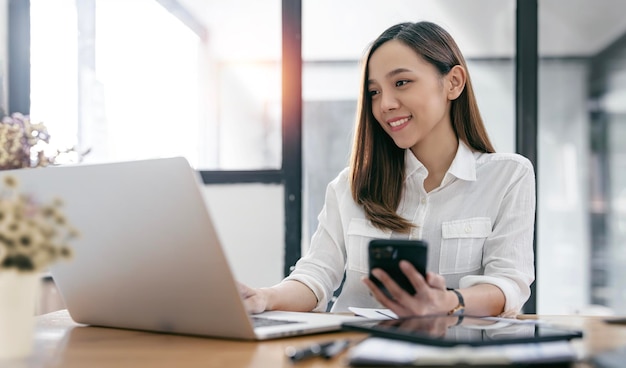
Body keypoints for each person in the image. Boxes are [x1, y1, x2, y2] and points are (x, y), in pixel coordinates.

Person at [239, 21, 535, 318]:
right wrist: (264, 297)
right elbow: (316, 276)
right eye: (374, 92)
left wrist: (448, 302)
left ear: (453, 83)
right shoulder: (350, 186)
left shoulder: (509, 176)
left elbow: (508, 283)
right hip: (355, 352)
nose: (385, 104)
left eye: (401, 82)